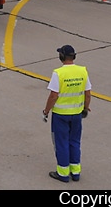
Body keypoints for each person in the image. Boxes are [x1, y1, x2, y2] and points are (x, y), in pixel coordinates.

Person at [42, 44, 91, 183]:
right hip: (77, 114)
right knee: (75, 141)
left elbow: (53, 95)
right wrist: (86, 108)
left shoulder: (58, 73)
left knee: (61, 143)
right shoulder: (82, 71)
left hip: (60, 115)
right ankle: (75, 172)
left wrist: (46, 111)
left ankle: (63, 173)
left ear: (61, 56)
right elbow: (88, 94)